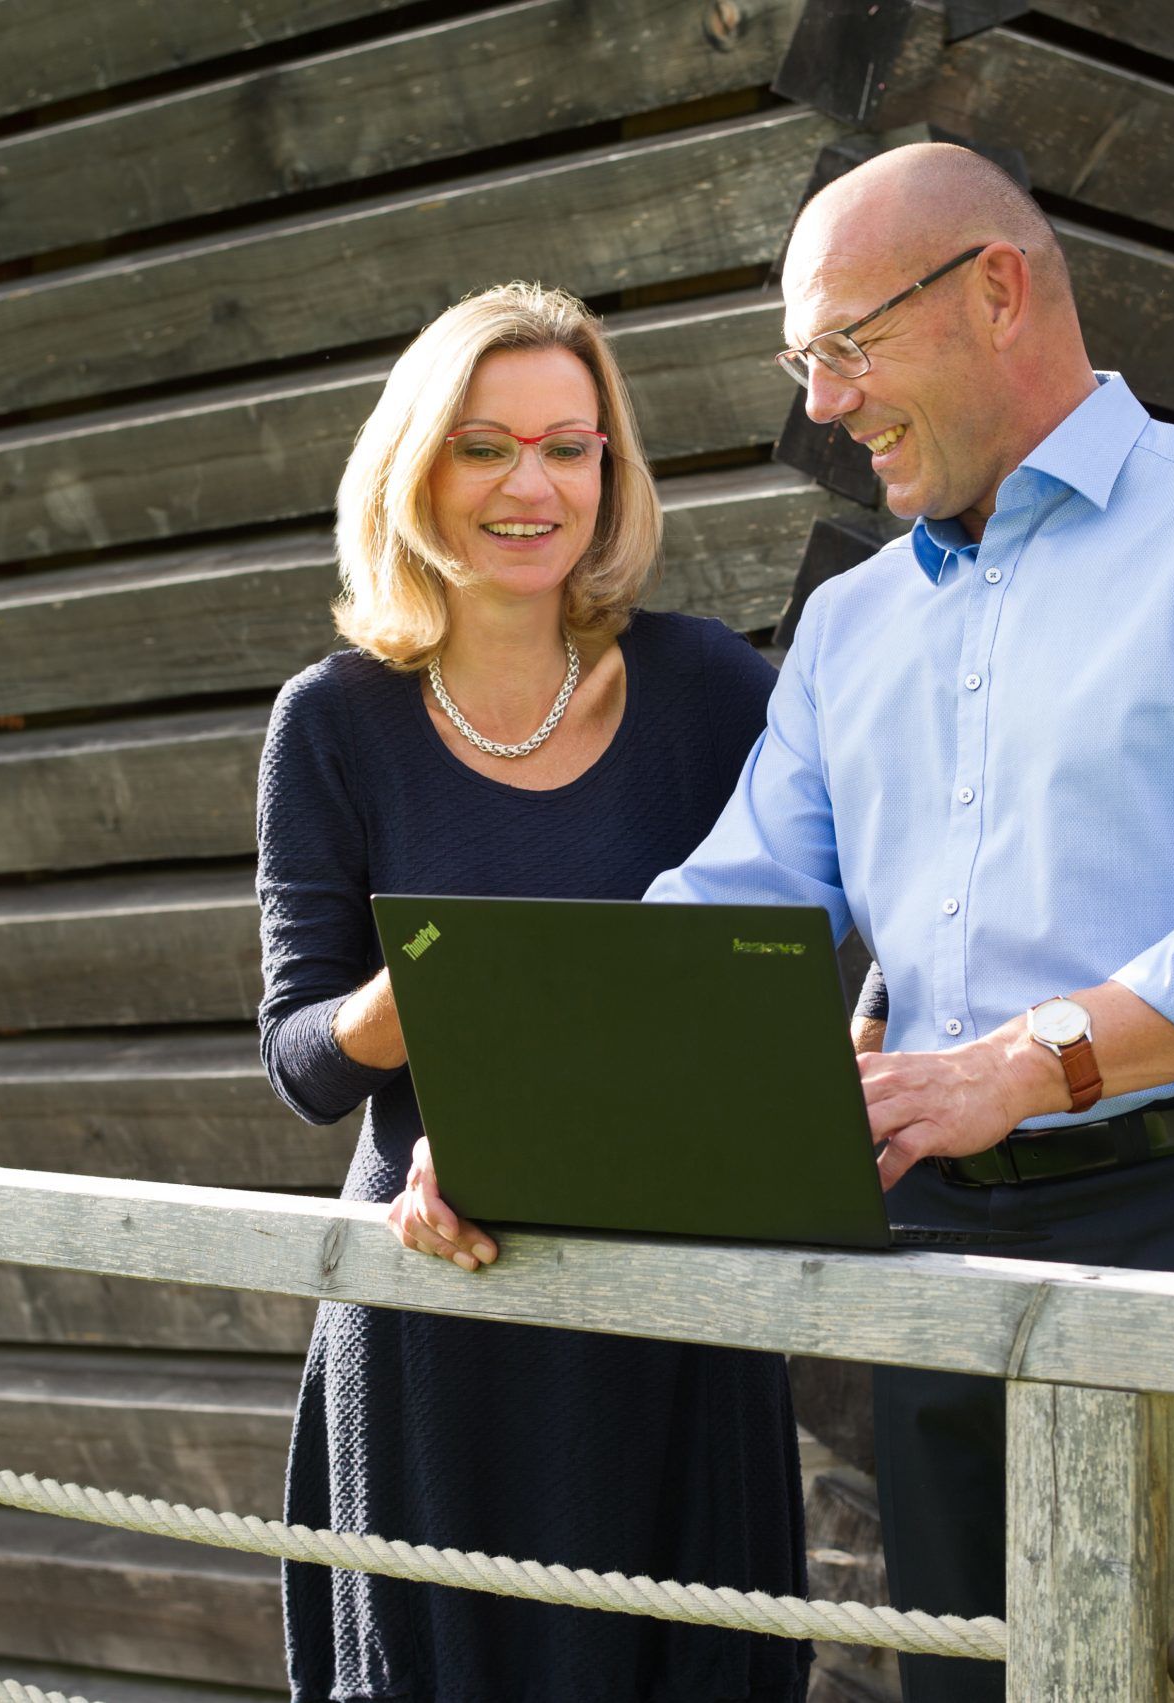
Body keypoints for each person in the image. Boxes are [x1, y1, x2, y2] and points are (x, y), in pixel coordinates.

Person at [647, 144, 1174, 1702]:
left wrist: (1019, 1065)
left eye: (846, 346)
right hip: (936, 1249)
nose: (824, 402)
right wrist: (526, 1105)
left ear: (995, 291)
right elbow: (725, 916)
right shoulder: (850, 627)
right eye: (804, 363)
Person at [254, 281, 811, 1703]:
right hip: (439, 1309)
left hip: (675, 1326)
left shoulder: (710, 690)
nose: (532, 486)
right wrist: (435, 993)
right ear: (416, 468)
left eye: (570, 448)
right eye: (486, 446)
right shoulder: (332, 722)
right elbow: (304, 1061)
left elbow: (788, 980)